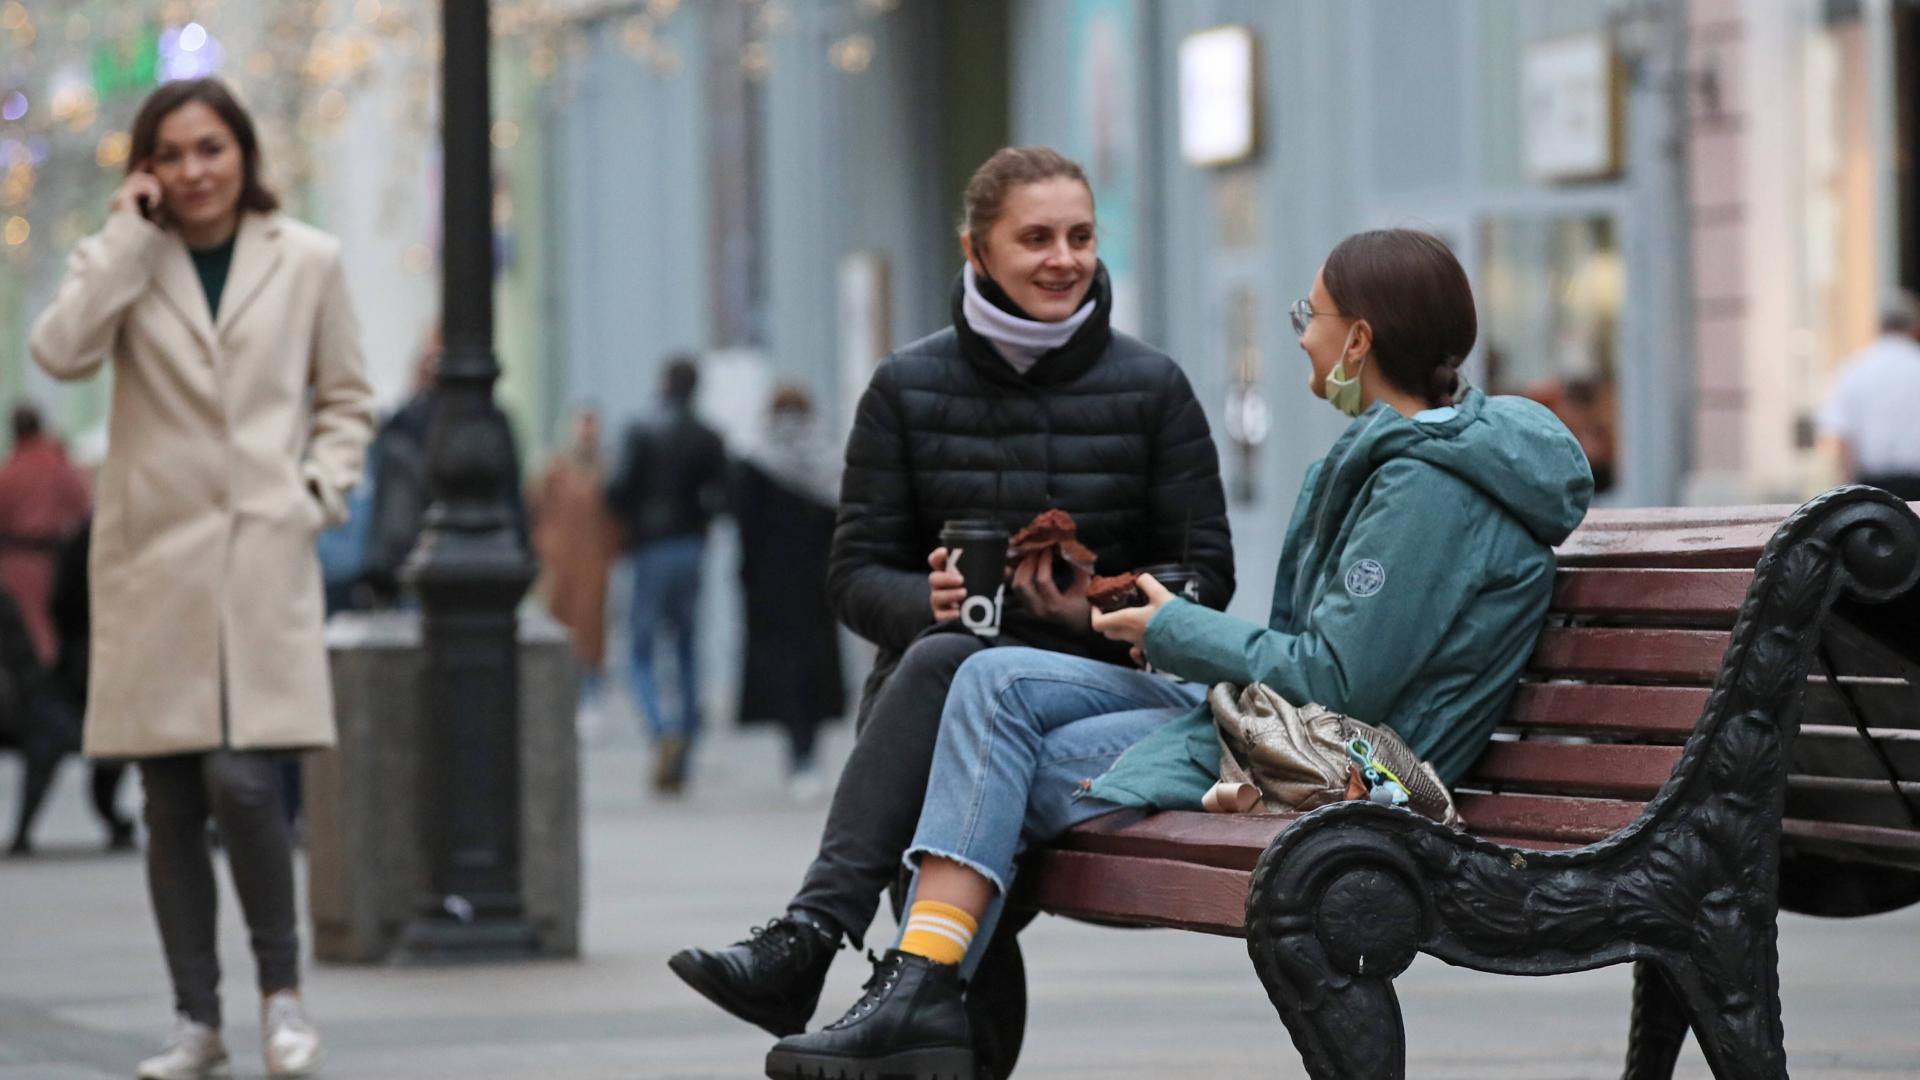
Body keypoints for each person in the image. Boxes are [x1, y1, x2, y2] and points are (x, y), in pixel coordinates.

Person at [762, 228, 1595, 1079]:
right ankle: (920, 998)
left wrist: (1167, 629)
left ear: (1360, 340)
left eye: (1314, 313)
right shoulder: (1410, 454)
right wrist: (1134, 615)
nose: (1301, 331)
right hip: (1274, 731)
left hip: (1332, 766)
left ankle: (920, 993)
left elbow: (1341, 679)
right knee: (989, 679)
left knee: (970, 766)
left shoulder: (1428, 487)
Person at [669, 146, 1234, 1040]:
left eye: (1081, 236)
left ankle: (810, 938)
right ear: (977, 251)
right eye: (1037, 237)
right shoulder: (905, 387)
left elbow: (1206, 576)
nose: (1065, 258)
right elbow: (853, 577)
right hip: (933, 699)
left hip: (1099, 693)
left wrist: (1096, 600)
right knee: (946, 660)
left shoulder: (1152, 388)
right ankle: (896, 989)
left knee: (951, 682)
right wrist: (924, 599)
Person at [29, 77, 374, 1080]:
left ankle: (282, 998)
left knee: (244, 780)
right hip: (154, 562)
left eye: (210, 148)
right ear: (147, 169)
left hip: (261, 554)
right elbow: (60, 352)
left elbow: (348, 396)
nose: (193, 170)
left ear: (243, 152)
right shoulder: (128, 258)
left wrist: (318, 489)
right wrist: (128, 241)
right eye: (171, 154)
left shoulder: (308, 259)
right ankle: (196, 1020)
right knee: (169, 793)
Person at [605, 356, 727, 793]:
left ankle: (662, 727)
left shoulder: (641, 430)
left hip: (651, 547)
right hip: (691, 546)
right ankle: (686, 737)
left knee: (639, 648)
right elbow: (724, 495)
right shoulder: (708, 436)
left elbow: (617, 492)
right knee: (686, 646)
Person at [729, 385, 846, 798]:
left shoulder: (754, 462)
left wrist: (744, 579)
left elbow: (744, 529)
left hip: (770, 587)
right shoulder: (827, 462)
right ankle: (808, 754)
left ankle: (796, 755)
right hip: (816, 585)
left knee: (782, 670)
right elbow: (841, 529)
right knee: (814, 669)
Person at [530, 405, 621, 736]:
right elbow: (536, 510)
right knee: (561, 626)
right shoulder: (555, 471)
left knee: (592, 631)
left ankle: (590, 697)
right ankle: (565, 698)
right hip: (560, 562)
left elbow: (616, 523)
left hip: (594, 562)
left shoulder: (606, 471)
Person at [0, 405, 92, 665]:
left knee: (28, 631)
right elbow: (83, 506)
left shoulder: (9, 471)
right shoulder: (60, 466)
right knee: (51, 632)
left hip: (17, 563)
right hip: (57, 559)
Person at [1819, 292, 1920, 499]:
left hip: (1872, 488)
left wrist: (1846, 490)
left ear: (1878, 326)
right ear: (1914, 327)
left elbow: (1843, 435)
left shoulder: (1855, 369)